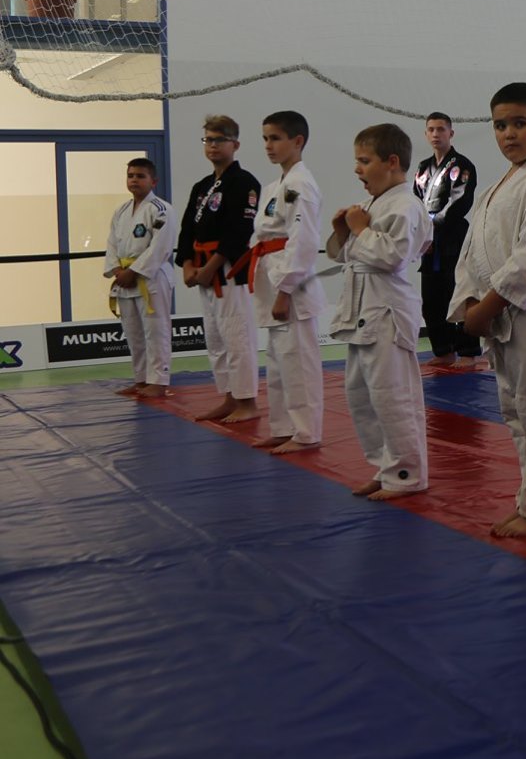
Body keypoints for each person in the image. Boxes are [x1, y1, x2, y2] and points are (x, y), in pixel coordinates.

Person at [452, 83, 526, 538]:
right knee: (517, 413)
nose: (508, 134)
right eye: (500, 125)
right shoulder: (496, 186)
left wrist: (485, 308)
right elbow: (470, 254)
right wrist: (469, 301)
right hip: (501, 318)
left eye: (520, 123)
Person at [329, 123, 432, 501]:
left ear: (391, 162)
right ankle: (386, 467)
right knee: (362, 396)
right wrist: (343, 230)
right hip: (362, 309)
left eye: (364, 161)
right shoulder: (373, 204)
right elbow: (342, 255)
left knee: (392, 396)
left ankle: (406, 474)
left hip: (388, 311)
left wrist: (360, 230)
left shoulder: (406, 205)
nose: (357, 169)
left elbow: (393, 256)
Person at [249, 111, 326, 454]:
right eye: (265, 138)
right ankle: (283, 428)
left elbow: (303, 240)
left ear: (298, 141)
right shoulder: (275, 186)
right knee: (278, 362)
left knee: (298, 363)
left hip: (291, 283)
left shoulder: (300, 185)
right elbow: (263, 235)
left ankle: (306, 433)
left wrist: (285, 290)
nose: (269, 145)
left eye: (276, 138)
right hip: (271, 276)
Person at [175, 115, 261, 424]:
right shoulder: (202, 186)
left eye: (219, 140)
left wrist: (211, 267)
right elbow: (187, 228)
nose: (212, 145)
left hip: (229, 271)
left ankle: (247, 402)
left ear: (235, 145)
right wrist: (187, 264)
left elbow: (240, 231)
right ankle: (229, 398)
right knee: (215, 339)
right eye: (208, 140)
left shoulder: (245, 182)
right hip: (203, 270)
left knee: (237, 337)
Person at [105, 157, 175, 400]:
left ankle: (159, 381)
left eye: (140, 176)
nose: (134, 180)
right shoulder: (121, 211)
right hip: (124, 277)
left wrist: (133, 272)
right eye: (130, 175)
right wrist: (117, 270)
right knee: (133, 333)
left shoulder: (161, 209)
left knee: (156, 330)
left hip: (151, 277)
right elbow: (112, 244)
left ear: (153, 181)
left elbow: (160, 247)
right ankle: (141, 379)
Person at [413, 113, 480, 367]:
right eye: (431, 129)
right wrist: (422, 232)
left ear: (451, 133)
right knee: (431, 298)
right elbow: (415, 203)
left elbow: (459, 202)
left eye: (441, 129)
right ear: (425, 134)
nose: (435, 134)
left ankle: (467, 351)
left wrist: (432, 228)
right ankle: (443, 350)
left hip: (453, 238)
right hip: (428, 242)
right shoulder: (423, 168)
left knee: (459, 293)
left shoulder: (462, 165)